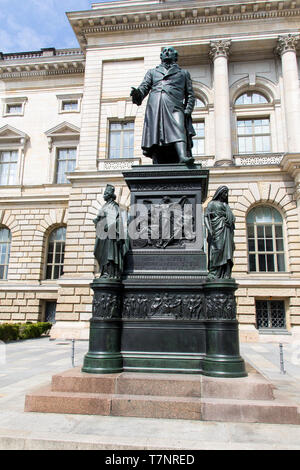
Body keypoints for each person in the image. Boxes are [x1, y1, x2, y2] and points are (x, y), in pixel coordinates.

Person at [130, 46, 196, 164]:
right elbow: (144, 88)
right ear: (161, 56)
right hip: (155, 106)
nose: (166, 53)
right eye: (164, 51)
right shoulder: (152, 72)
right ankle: (157, 159)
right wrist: (137, 94)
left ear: (175, 56)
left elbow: (190, 95)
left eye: (170, 51)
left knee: (179, 127)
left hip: (175, 106)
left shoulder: (184, 73)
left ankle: (182, 156)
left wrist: (187, 110)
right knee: (156, 131)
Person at [93, 184, 128, 280]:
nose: (104, 195)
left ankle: (110, 273)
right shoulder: (105, 205)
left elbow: (117, 220)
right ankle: (104, 272)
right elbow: (100, 218)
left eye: (105, 193)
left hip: (110, 236)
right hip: (103, 235)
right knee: (102, 253)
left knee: (109, 255)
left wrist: (108, 226)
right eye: (104, 193)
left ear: (110, 195)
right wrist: (97, 221)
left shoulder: (113, 206)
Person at [204, 186, 235, 280]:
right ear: (219, 193)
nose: (225, 195)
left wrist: (229, 220)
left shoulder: (226, 206)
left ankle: (225, 273)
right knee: (217, 250)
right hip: (216, 230)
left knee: (227, 251)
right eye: (224, 193)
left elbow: (232, 219)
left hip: (226, 230)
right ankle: (214, 272)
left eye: (226, 193)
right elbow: (205, 217)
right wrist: (209, 229)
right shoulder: (212, 204)